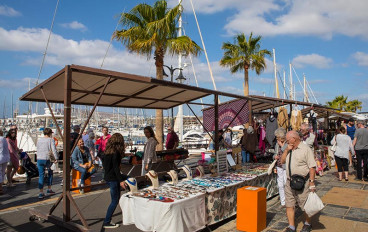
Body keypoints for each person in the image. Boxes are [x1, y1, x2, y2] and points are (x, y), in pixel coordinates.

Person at [281, 131, 316, 232]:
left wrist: (312, 182)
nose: (286, 141)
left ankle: (308, 223)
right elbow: (282, 161)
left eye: (288, 140)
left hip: (302, 182)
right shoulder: (288, 149)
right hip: (289, 181)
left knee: (305, 205)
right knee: (289, 204)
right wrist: (287, 150)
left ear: (294, 139)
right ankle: (291, 226)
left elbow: (312, 167)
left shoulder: (305, 149)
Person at [101, 133, 128, 229]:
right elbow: (116, 168)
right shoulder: (115, 152)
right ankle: (107, 221)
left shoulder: (107, 151)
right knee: (114, 201)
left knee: (128, 178)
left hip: (108, 177)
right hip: (113, 178)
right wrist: (121, 180)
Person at [36, 128, 58, 199]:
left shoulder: (39, 140)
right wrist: (56, 158)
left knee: (41, 175)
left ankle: (41, 192)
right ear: (50, 133)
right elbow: (53, 150)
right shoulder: (51, 140)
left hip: (39, 158)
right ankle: (49, 188)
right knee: (50, 173)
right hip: (47, 159)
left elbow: (37, 149)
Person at [274, 128, 287, 206]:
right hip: (279, 165)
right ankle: (283, 201)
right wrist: (274, 156)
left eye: (277, 137)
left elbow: (287, 151)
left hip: (285, 166)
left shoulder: (287, 143)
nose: (277, 139)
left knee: (286, 183)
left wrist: (282, 145)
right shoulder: (276, 144)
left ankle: (288, 199)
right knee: (280, 184)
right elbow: (275, 153)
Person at [0, 129, 10, 194]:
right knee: (2, 173)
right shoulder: (4, 139)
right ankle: (1, 188)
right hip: (5, 158)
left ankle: (0, 188)